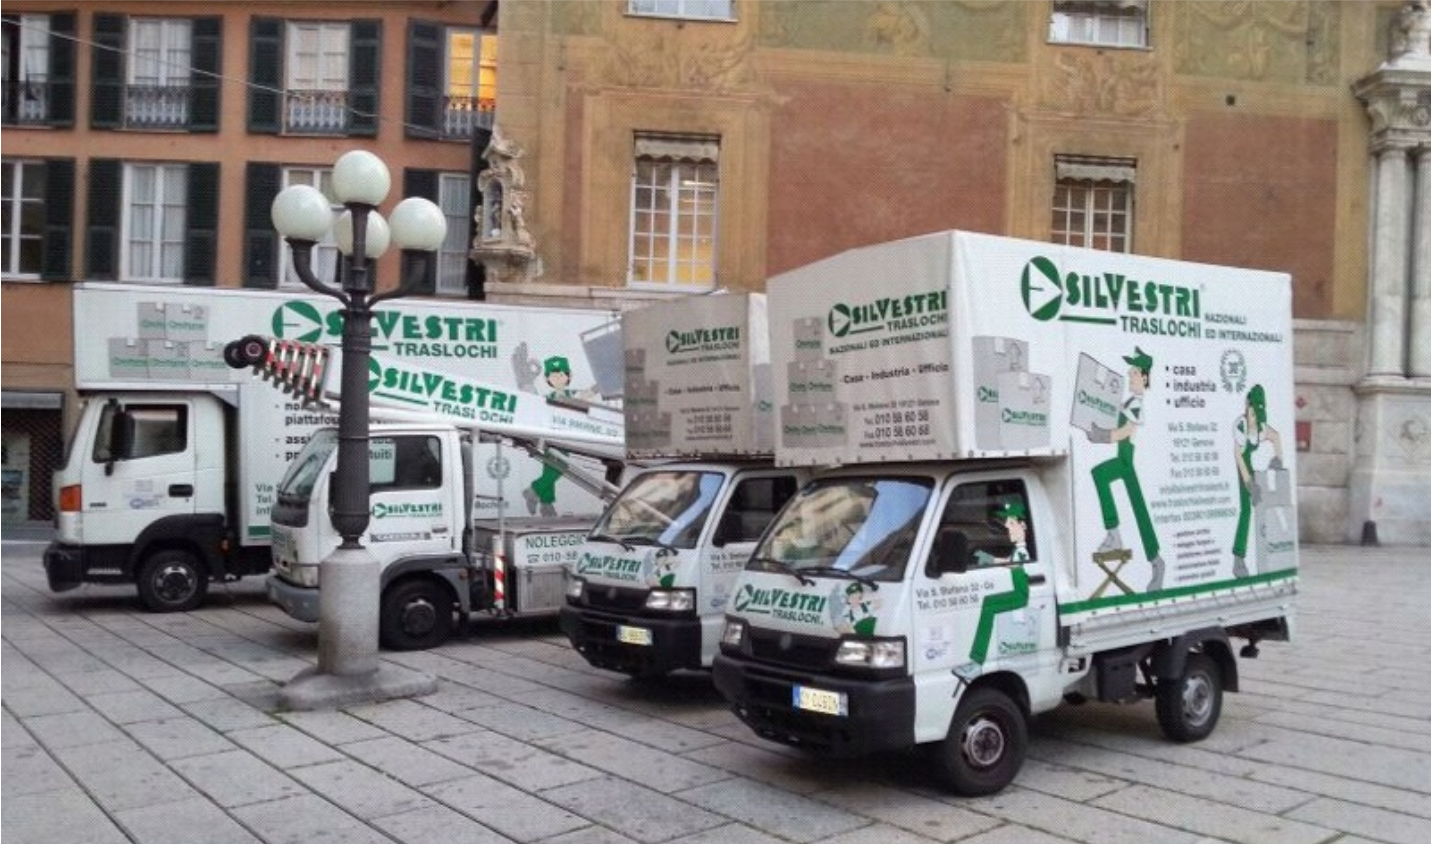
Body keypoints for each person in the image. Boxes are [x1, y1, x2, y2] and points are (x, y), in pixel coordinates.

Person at [1087, 347, 1166, 591]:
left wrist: (1102, 436)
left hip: (1125, 458)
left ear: (1144, 377)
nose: (1130, 376)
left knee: (1099, 474)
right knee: (1139, 508)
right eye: (1130, 372)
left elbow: (1125, 432)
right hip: (1125, 458)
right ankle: (1156, 560)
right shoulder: (1130, 401)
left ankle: (1114, 534)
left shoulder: (1137, 403)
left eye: (1133, 373)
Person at [1231, 384, 1283, 578]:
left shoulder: (1260, 426)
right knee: (1246, 509)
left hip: (1250, 463)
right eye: (1252, 413)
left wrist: (1278, 459)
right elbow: (1237, 456)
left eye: (1257, 415)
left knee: (1262, 506)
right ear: (1247, 405)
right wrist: (1249, 484)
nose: (1253, 420)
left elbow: (1276, 437)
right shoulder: (1240, 425)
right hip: (1241, 465)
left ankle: (1270, 551)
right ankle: (1238, 558)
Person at [524, 356, 574, 516]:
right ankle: (534, 490)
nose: (558, 379)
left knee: (549, 469)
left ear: (569, 376)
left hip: (564, 438)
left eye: (561, 375)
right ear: (548, 379)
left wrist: (596, 388)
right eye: (554, 376)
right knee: (560, 466)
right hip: (553, 438)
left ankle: (546, 505)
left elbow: (586, 397)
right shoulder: (548, 398)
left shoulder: (572, 394)